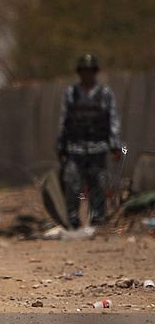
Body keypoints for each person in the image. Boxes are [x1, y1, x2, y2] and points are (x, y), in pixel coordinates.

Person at [56, 53, 122, 228]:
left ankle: (98, 220)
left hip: (97, 148)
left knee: (98, 185)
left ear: (95, 73)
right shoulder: (71, 93)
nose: (87, 74)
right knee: (72, 185)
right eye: (84, 71)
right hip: (74, 148)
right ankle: (72, 219)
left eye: (90, 71)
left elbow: (113, 119)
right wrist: (60, 145)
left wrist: (115, 145)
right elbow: (64, 119)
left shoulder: (105, 93)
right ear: (79, 73)